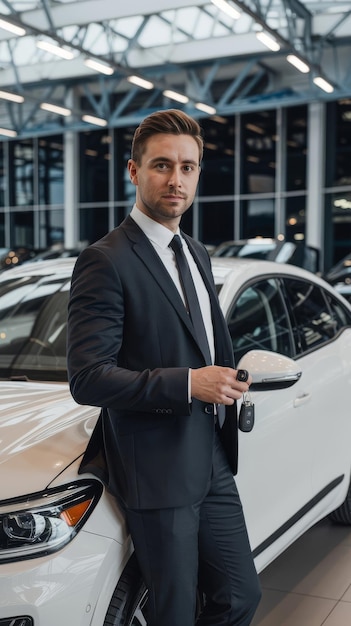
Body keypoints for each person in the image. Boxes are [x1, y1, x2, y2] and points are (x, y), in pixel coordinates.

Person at [67, 108, 261, 626]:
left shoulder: (194, 251)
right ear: (134, 172)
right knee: (172, 613)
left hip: (212, 460)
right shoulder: (105, 260)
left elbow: (199, 343)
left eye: (188, 167)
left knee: (240, 596)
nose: (176, 179)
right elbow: (88, 377)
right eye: (161, 165)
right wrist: (189, 384)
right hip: (155, 470)